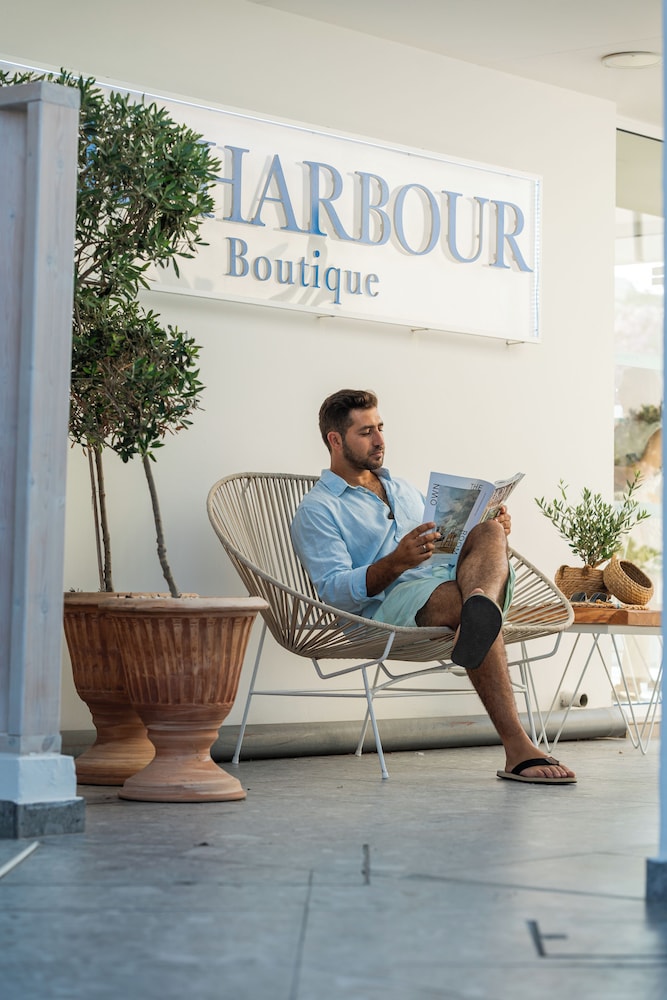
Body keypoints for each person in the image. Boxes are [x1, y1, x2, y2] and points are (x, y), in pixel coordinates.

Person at [290, 389, 576, 785]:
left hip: (444, 583)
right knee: (469, 605)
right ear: (335, 440)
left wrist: (485, 525)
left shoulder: (403, 489)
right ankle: (517, 745)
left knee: (490, 533)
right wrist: (396, 562)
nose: (379, 440)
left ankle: (478, 608)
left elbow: (447, 546)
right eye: (366, 432)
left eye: (381, 428)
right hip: (384, 609)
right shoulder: (318, 509)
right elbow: (334, 591)